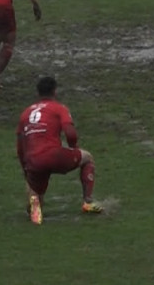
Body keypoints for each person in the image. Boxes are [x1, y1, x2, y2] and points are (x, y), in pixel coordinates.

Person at [16, 76, 102, 225]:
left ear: (37, 93)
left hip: (34, 160)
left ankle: (35, 211)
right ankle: (88, 202)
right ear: (55, 91)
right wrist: (73, 148)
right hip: (53, 155)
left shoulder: (25, 114)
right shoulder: (59, 108)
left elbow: (20, 146)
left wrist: (25, 168)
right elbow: (70, 133)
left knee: (34, 192)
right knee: (87, 157)